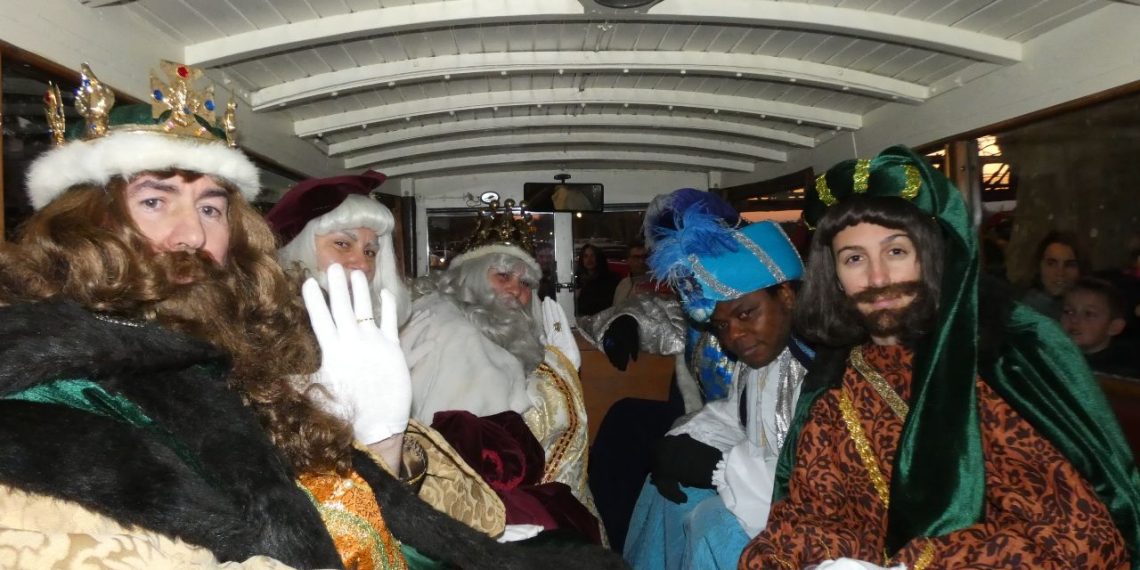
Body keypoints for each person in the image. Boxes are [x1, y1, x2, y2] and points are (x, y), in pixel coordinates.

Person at [0, 61, 624, 569]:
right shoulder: (47, 395)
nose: (192, 233)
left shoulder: (235, 347)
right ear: (85, 222)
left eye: (211, 208)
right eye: (156, 201)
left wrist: (383, 440)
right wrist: (373, 442)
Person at [740, 145, 1140, 569]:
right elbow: (818, 516)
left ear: (930, 256)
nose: (878, 277)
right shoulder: (838, 387)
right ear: (834, 277)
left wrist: (917, 565)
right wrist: (777, 557)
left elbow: (1082, 539)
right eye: (854, 258)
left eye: (896, 251)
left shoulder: (995, 366)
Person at [267, 172, 509, 536]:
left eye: (370, 251)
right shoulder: (275, 338)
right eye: (342, 244)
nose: (363, 264)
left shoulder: (367, 330)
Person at [400, 200, 603, 541]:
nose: (516, 291)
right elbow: (500, 454)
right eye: (503, 276)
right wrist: (561, 374)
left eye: (526, 284)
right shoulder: (461, 339)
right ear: (470, 278)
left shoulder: (467, 322)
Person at [622, 203, 810, 570]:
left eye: (746, 314)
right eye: (722, 326)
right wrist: (682, 441)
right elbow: (735, 415)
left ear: (786, 297)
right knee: (664, 493)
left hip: (800, 520)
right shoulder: (761, 359)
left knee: (712, 524)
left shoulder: (817, 364)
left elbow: (812, 485)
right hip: (753, 486)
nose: (734, 335)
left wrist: (718, 468)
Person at [1062, 277, 1139, 377]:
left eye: (1089, 314)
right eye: (1068, 311)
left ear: (1114, 327)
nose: (1074, 320)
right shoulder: (1053, 359)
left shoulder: (1123, 373)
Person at [1020, 230, 1084, 320]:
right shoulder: (1028, 310)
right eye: (1051, 264)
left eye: (1069, 265)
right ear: (1039, 267)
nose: (1060, 273)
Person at [575, 243, 620, 316]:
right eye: (586, 256)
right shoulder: (577, 280)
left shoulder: (610, 279)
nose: (589, 260)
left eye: (592, 255)